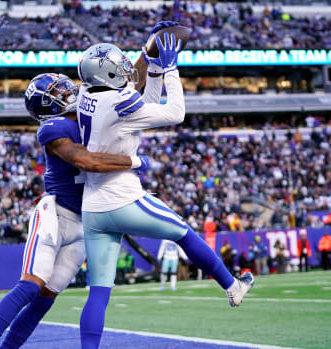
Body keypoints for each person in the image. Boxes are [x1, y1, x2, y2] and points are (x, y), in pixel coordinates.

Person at [76, 33, 253, 349]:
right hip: (123, 199)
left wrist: (153, 69)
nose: (126, 70)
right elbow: (174, 113)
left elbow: (144, 107)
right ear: (106, 73)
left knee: (98, 292)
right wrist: (170, 69)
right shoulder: (119, 101)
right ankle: (232, 285)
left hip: (93, 209)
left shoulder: (86, 96)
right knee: (184, 233)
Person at [0, 73, 149, 349]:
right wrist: (134, 161)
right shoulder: (54, 127)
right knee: (31, 285)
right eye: (61, 91)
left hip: (85, 224)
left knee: (45, 300)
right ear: (47, 105)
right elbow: (86, 160)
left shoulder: (91, 115)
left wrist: (148, 51)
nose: (71, 91)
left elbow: (128, 86)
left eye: (67, 87)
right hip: (56, 213)